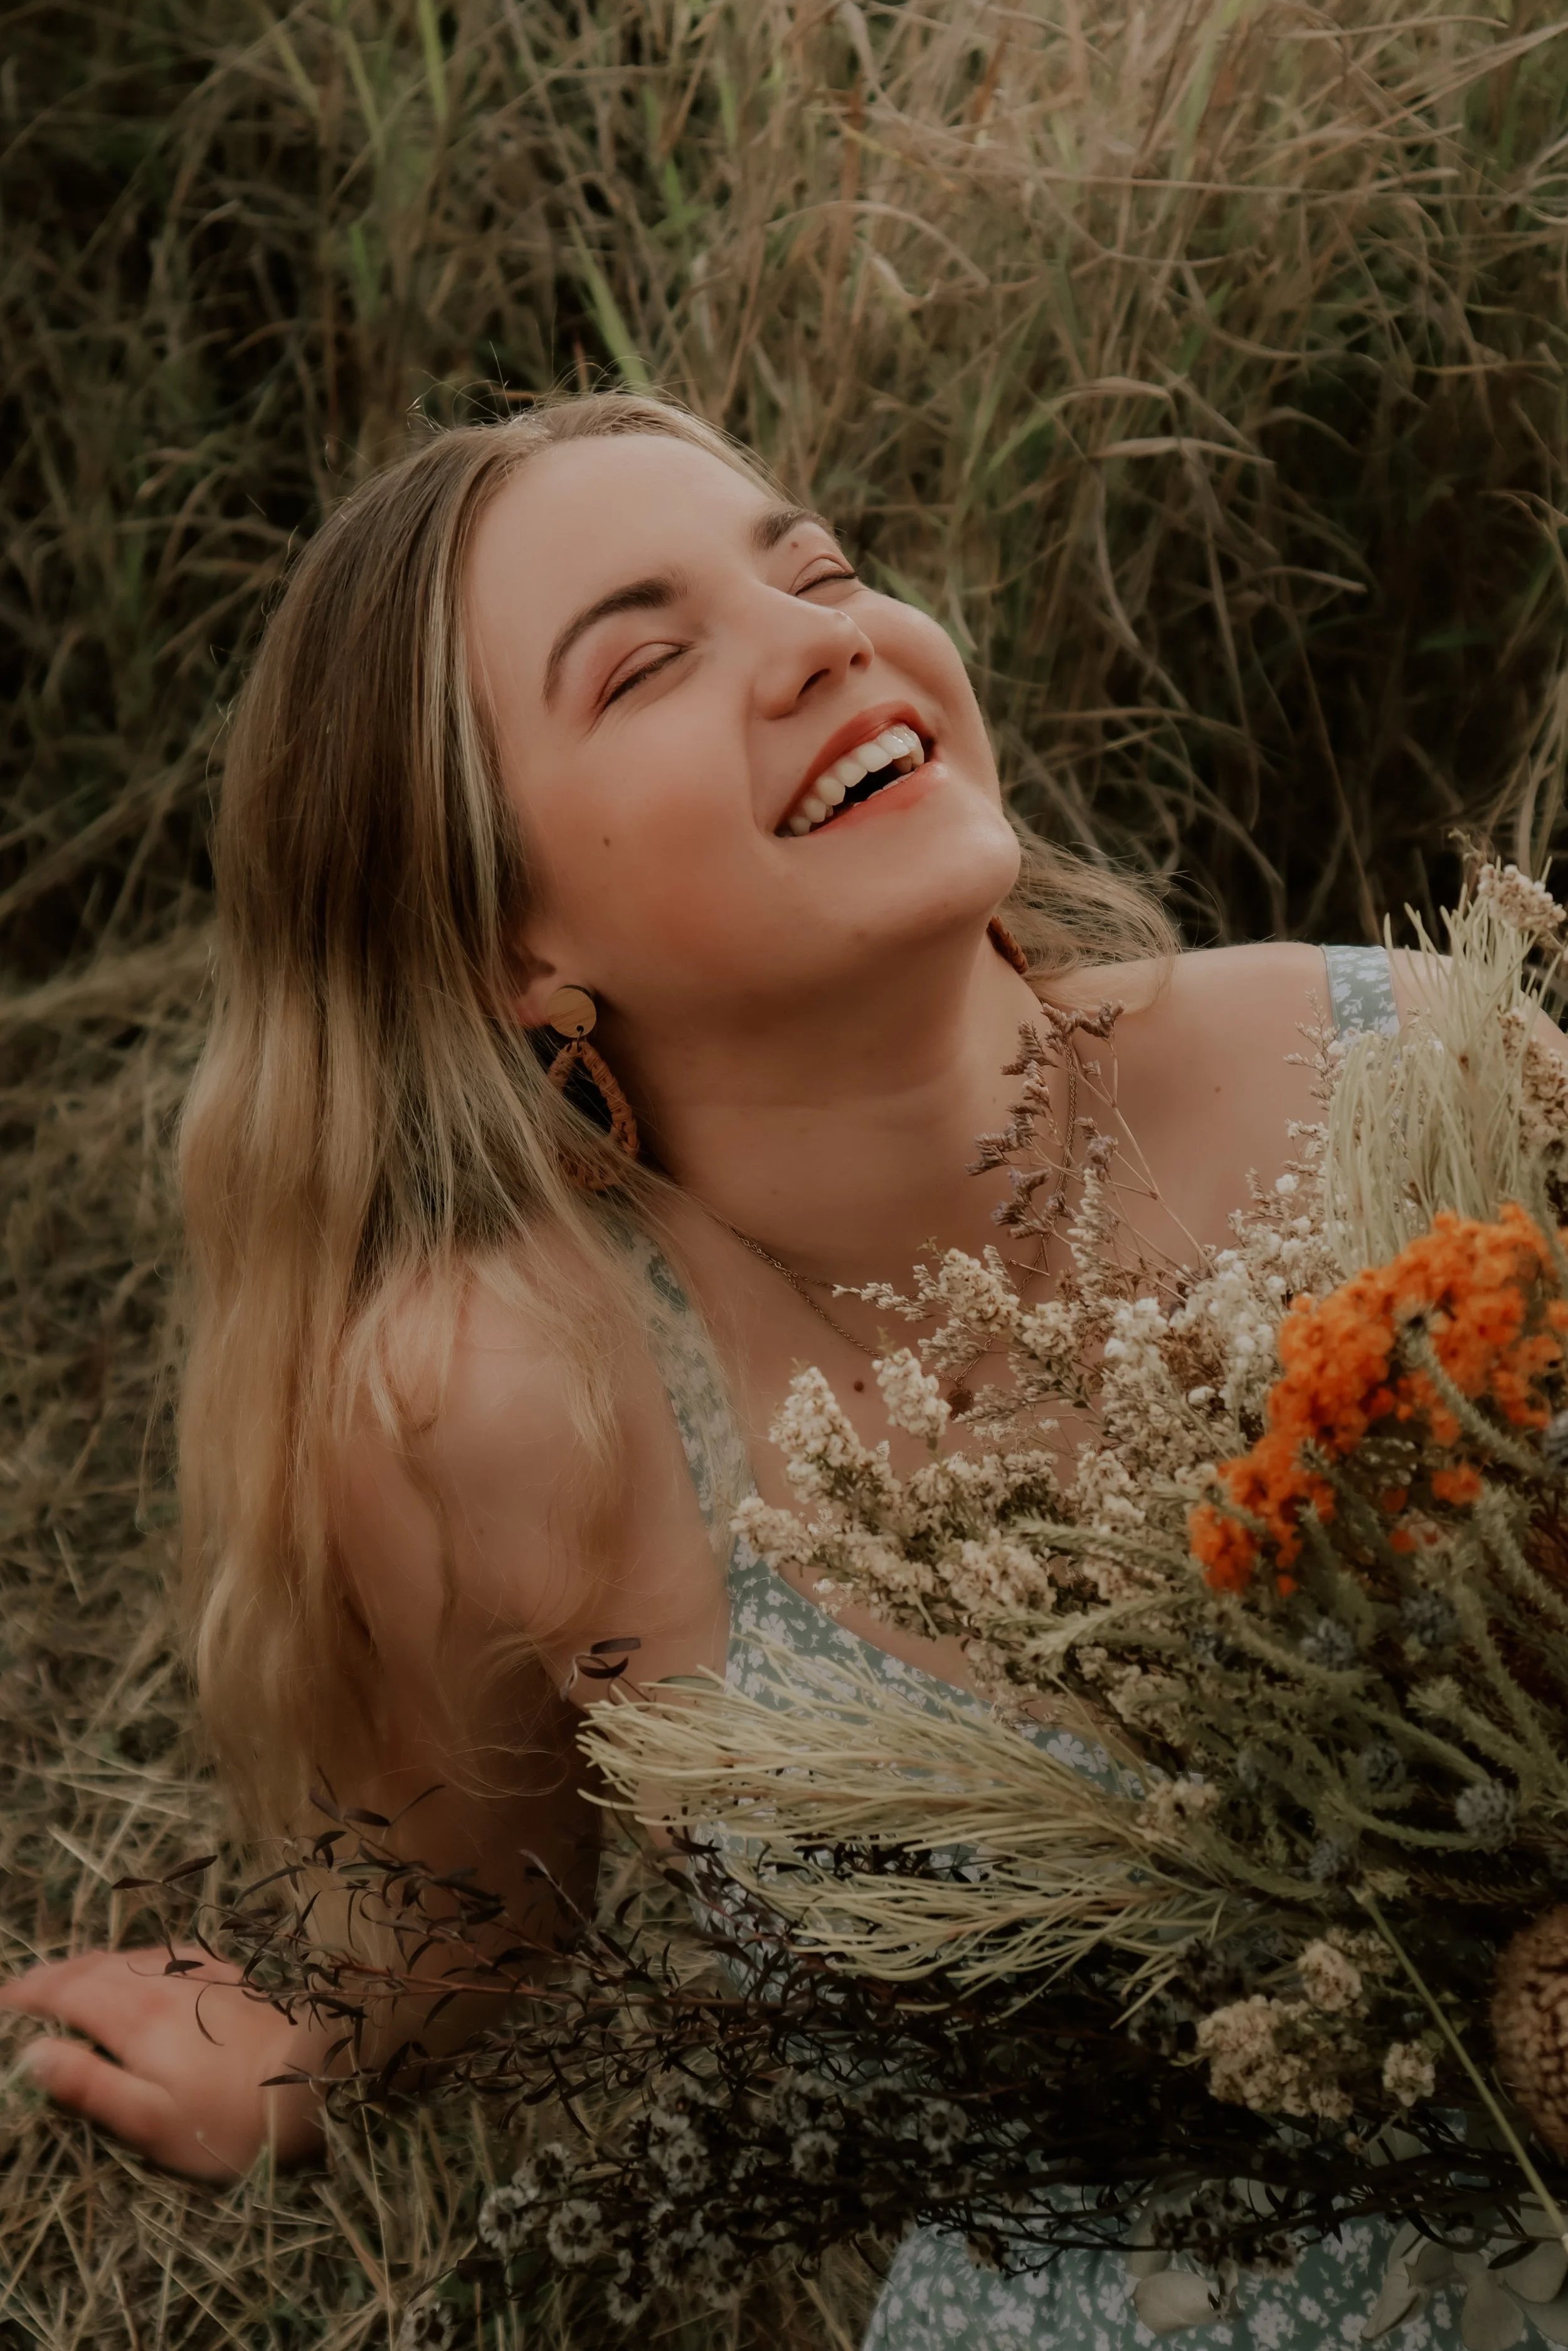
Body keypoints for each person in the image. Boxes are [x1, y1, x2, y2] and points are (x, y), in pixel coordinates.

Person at [0, 395, 1457, 2343]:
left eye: (821, 571)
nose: (820, 640)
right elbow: (469, 1897)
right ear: (509, 946)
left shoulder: (1406, 1081)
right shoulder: (517, 1406)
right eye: (645, 663)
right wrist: (299, 2047)